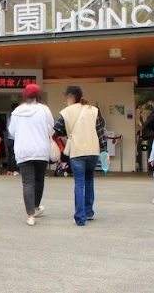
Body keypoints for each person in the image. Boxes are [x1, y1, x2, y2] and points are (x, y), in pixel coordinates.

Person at [52, 86, 108, 226]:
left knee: (79, 183)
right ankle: (88, 212)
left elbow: (57, 129)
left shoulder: (66, 112)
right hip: (92, 151)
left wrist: (68, 132)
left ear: (69, 97)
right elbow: (101, 131)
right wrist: (104, 150)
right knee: (89, 180)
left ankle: (80, 217)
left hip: (77, 152)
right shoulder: (93, 110)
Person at [9, 84, 54, 226]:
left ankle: (30, 216)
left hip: (23, 150)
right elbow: (51, 130)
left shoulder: (17, 111)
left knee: (27, 182)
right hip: (41, 150)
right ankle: (35, 206)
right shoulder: (44, 110)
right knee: (39, 180)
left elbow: (12, 131)